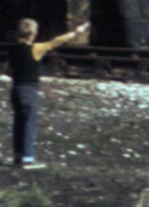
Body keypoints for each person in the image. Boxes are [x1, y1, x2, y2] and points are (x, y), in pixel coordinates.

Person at [9, 18, 89, 169]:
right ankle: (28, 157)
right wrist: (76, 32)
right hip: (29, 89)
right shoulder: (36, 48)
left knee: (18, 122)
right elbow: (55, 42)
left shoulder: (13, 48)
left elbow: (9, 69)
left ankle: (18, 155)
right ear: (33, 33)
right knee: (29, 123)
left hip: (15, 88)